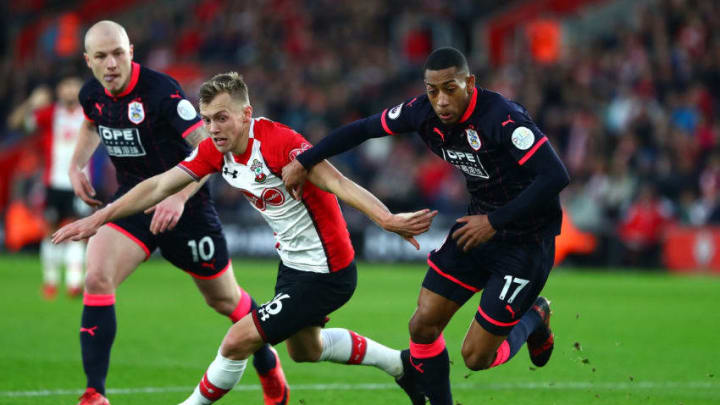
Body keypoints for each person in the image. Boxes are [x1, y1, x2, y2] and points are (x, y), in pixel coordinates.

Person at [53, 71, 437, 405]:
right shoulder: (215, 150)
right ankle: (403, 365)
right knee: (306, 350)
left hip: (328, 270)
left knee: (238, 340)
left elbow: (336, 181)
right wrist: (99, 218)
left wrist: (386, 218)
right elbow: (158, 185)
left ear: (246, 114)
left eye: (222, 118)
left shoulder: (277, 143)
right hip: (293, 264)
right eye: (207, 119)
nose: (213, 128)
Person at [282, 47, 570, 404]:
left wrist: (494, 222)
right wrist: (306, 159)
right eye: (432, 90)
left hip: (525, 243)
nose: (441, 100)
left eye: (450, 88)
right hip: (475, 230)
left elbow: (555, 176)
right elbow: (364, 128)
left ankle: (534, 317)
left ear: (470, 83)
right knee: (422, 324)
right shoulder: (421, 112)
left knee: (475, 357)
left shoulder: (504, 118)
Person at [68, 21, 287, 405]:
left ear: (131, 51)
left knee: (225, 301)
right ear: (89, 61)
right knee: (97, 277)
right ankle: (94, 394)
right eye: (101, 56)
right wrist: (75, 166)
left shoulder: (161, 92)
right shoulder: (92, 95)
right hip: (133, 202)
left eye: (118, 53)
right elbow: (90, 123)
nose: (111, 63)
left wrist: (179, 196)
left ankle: (268, 363)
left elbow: (210, 147)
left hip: (188, 208)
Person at [8, 77, 88, 299]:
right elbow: (14, 123)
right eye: (65, 85)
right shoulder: (50, 113)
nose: (70, 90)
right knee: (50, 232)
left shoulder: (90, 113)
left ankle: (74, 283)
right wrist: (32, 102)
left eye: (74, 85)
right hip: (53, 182)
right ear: (58, 90)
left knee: (77, 232)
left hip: (80, 183)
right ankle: (51, 281)